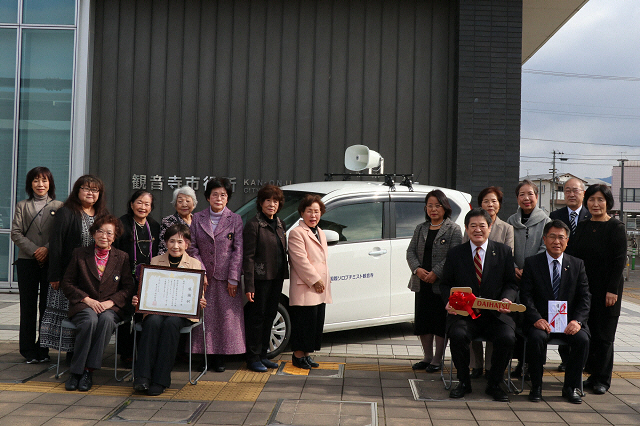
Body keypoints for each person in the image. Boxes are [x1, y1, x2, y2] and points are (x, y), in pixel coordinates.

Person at [440, 208, 518, 402]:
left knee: (507, 337)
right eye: (472, 226)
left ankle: (495, 383)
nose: (477, 230)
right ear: (466, 229)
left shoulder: (503, 251)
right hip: (465, 314)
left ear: (490, 227)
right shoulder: (456, 253)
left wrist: (507, 299)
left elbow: (511, 283)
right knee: (457, 335)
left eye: (482, 225)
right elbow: (445, 284)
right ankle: (464, 382)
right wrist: (449, 301)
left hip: (495, 314)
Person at [60, 215, 136, 391]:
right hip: (85, 305)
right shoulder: (80, 254)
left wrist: (111, 302)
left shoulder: (122, 257)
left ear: (115, 236)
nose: (104, 236)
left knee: (106, 320)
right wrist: (87, 300)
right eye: (100, 231)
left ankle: (88, 370)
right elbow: (68, 283)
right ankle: (76, 372)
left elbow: (128, 287)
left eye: (109, 233)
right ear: (93, 233)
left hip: (110, 307)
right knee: (89, 320)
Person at [520, 220, 590, 404]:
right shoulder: (532, 263)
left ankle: (570, 387)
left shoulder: (577, 264)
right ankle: (536, 386)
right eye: (552, 236)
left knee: (582, 339)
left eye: (561, 237)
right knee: (536, 338)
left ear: (567, 241)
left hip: (568, 322)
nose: (556, 241)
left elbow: (585, 298)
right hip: (541, 321)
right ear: (544, 239)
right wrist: (536, 318)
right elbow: (526, 296)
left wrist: (577, 321)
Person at [132, 224, 207, 396]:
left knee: (171, 324)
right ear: (166, 243)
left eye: (180, 242)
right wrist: (139, 298)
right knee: (151, 322)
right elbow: (147, 288)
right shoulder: (155, 261)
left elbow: (199, 294)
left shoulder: (195, 264)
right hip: (157, 309)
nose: (175, 246)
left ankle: (160, 380)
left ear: (187, 244)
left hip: (182, 312)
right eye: (171, 241)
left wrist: (200, 301)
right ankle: (142, 378)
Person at [40, 175, 109, 356]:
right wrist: (54, 275)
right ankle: (71, 354)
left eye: (95, 190)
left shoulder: (103, 215)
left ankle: (81, 353)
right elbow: (56, 245)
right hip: (68, 275)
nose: (90, 193)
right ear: (77, 191)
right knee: (69, 313)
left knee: (86, 314)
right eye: (86, 189)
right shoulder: (67, 212)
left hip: (93, 277)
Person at [567, 184, 626, 395]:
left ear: (608, 202)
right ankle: (591, 374)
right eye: (592, 199)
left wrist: (612, 289)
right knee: (588, 332)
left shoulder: (616, 227)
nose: (595, 204)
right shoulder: (582, 226)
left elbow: (620, 261)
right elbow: (573, 256)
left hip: (608, 291)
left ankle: (602, 379)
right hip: (585, 289)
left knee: (604, 336)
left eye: (600, 199)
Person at [188, 177, 244, 372]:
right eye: (214, 194)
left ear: (227, 198)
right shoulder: (197, 218)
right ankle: (202, 356)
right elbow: (192, 247)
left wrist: (233, 278)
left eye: (223, 195)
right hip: (203, 277)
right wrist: (200, 271)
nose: (218, 198)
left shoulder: (235, 219)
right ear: (207, 197)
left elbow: (238, 250)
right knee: (203, 317)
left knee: (224, 318)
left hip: (226, 277)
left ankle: (220, 357)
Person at [11, 167, 63, 363]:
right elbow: (16, 232)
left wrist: (47, 249)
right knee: (28, 307)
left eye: (44, 180)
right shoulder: (22, 205)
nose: (40, 185)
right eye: (36, 181)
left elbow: (60, 234)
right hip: (27, 261)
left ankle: (43, 348)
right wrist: (36, 250)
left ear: (50, 183)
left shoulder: (59, 206)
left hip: (50, 262)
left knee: (47, 307)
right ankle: (27, 350)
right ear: (29, 184)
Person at [407, 190, 462, 373]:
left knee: (439, 322)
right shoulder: (420, 228)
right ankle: (427, 357)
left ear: (445, 207)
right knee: (423, 321)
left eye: (437, 205)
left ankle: (438, 359)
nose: (433, 209)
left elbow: (454, 256)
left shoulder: (453, 229)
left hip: (441, 284)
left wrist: (436, 273)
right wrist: (418, 269)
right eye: (429, 205)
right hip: (421, 282)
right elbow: (410, 252)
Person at [463, 186, 514, 378]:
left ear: (499, 205)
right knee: (469, 322)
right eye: (486, 201)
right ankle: (476, 366)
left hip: (495, 286)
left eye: (494, 201)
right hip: (473, 285)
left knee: (499, 329)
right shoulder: (470, 225)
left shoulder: (506, 228)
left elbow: (509, 255)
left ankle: (492, 368)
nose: (490, 204)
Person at [506, 179, 550, 377]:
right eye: (522, 194)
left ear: (537, 196)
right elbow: (507, 248)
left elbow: (545, 248)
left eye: (530, 194)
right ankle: (518, 363)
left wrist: (529, 270)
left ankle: (532, 365)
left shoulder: (545, 221)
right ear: (517, 198)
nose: (526, 198)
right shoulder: (510, 221)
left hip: (536, 281)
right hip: (514, 280)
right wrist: (514, 267)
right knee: (515, 322)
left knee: (534, 321)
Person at [243, 184, 288, 372]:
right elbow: (249, 257)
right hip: (260, 280)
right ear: (261, 203)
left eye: (275, 201)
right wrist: (249, 285)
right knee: (257, 318)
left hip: (276, 277)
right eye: (268, 200)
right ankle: (252, 357)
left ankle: (263, 354)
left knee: (270, 315)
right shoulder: (254, 224)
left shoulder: (279, 223)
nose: (272, 204)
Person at [113, 190, 161, 367]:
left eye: (147, 204)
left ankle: (140, 350)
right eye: (139, 202)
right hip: (124, 277)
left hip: (147, 280)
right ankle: (125, 353)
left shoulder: (154, 226)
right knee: (125, 315)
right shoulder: (121, 224)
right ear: (132, 204)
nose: (143, 207)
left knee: (143, 316)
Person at [549, 177, 591, 372]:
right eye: (567, 190)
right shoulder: (555, 214)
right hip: (559, 271)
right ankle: (566, 360)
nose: (571, 194)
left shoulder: (590, 215)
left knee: (580, 319)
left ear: (583, 193)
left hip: (584, 272)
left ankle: (581, 363)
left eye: (575, 190)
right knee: (559, 314)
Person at [288, 195, 332, 369]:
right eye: (309, 211)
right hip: (306, 285)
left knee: (314, 322)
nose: (313, 215)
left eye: (317, 211)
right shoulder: (296, 233)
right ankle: (298, 355)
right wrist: (315, 280)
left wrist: (321, 282)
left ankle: (306, 355)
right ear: (302, 213)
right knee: (304, 322)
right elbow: (300, 260)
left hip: (320, 286)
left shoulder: (320, 231)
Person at [158, 186, 198, 255]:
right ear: (175, 205)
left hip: (197, 262)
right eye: (180, 201)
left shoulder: (199, 221)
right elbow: (163, 247)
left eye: (188, 201)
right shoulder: (168, 222)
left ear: (193, 204)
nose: (184, 205)